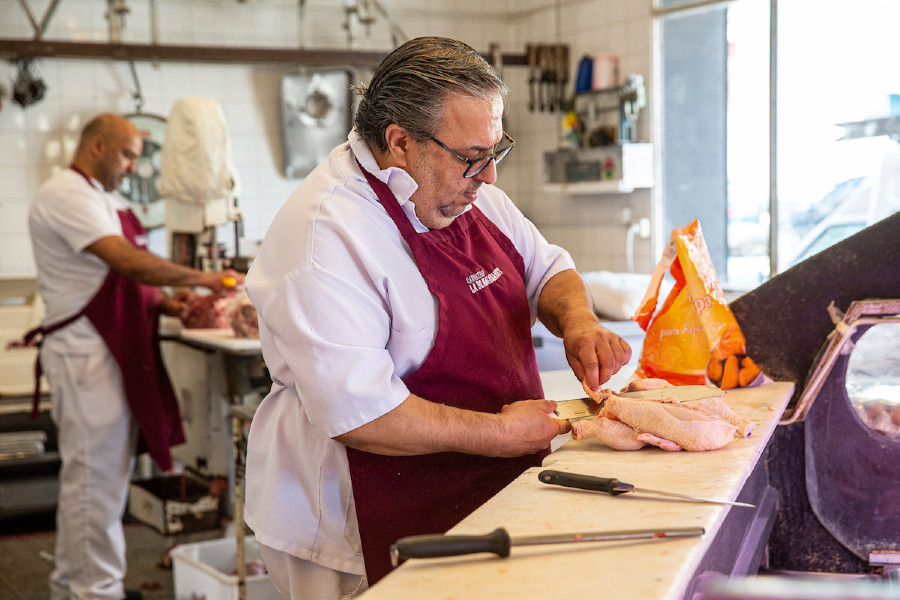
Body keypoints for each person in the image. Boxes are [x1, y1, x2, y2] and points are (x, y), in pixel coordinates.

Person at [243, 37, 632, 599]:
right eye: (474, 157)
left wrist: (579, 322)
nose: (490, 177)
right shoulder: (325, 235)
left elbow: (549, 271)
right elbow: (363, 417)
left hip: (490, 491)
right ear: (400, 142)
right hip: (362, 520)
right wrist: (502, 434)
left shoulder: (470, 193)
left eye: (497, 152)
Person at [27, 113, 243, 600]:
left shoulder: (104, 200)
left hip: (109, 353)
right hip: (86, 356)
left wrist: (168, 301)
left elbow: (117, 282)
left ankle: (75, 586)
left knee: (99, 482)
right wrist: (205, 279)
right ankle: (95, 592)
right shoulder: (67, 193)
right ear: (99, 146)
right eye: (127, 155)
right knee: (94, 485)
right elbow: (124, 262)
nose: (132, 167)